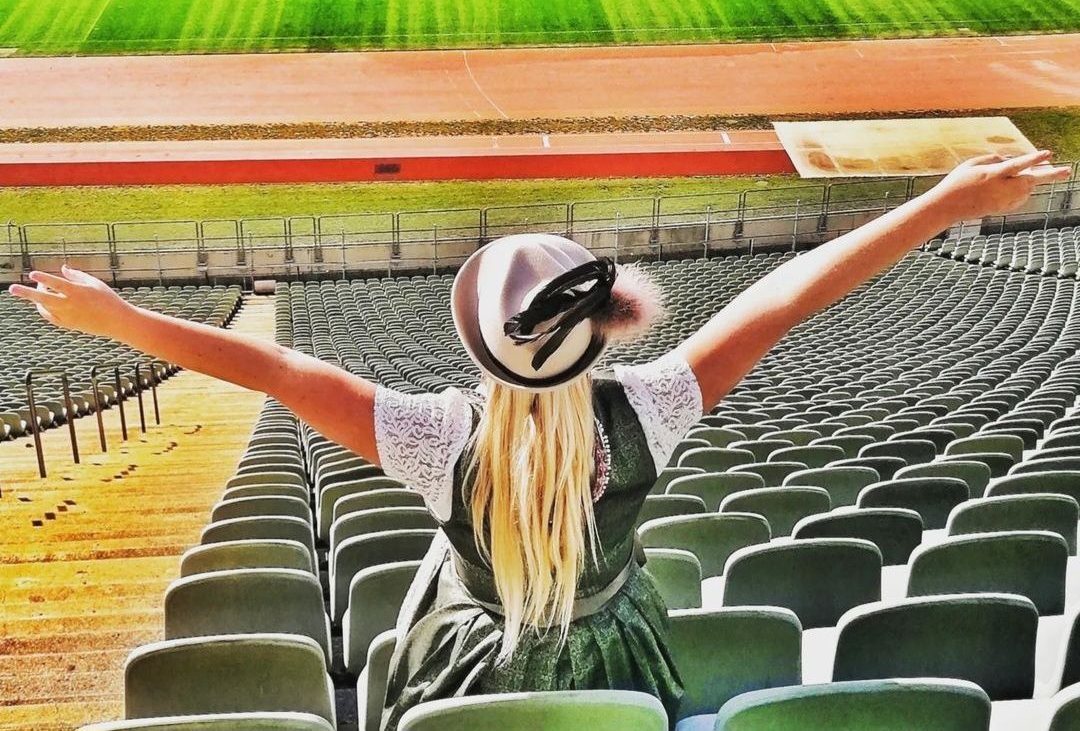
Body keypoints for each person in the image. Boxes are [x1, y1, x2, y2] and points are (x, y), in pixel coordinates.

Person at [10, 151, 1068, 728]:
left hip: (466, 672)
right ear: (599, 331)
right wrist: (943, 201)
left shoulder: (431, 438)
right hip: (619, 659)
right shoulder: (655, 406)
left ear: (482, 344)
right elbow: (786, 294)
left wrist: (123, 320)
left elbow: (276, 370)